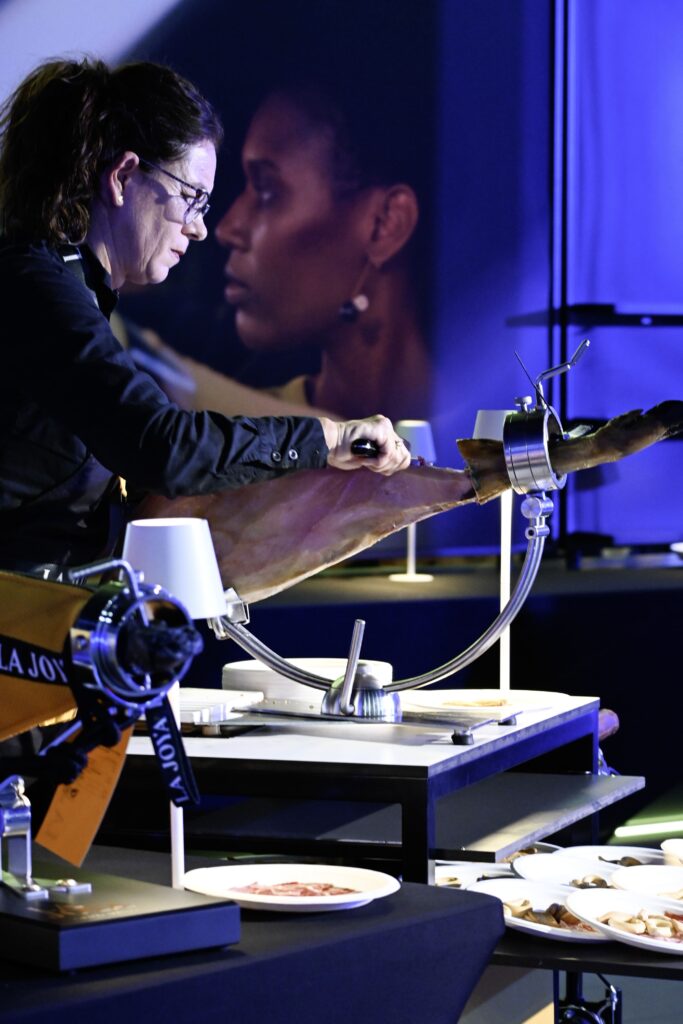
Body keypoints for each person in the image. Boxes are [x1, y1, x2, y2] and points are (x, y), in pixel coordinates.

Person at [0, 58, 411, 577]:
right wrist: (326, 439)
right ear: (123, 176)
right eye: (192, 199)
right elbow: (161, 445)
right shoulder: (34, 285)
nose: (200, 229)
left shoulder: (62, 285)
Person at [123, 78, 432, 422]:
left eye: (267, 190)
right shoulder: (229, 435)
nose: (226, 229)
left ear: (385, 224)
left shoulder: (475, 431)